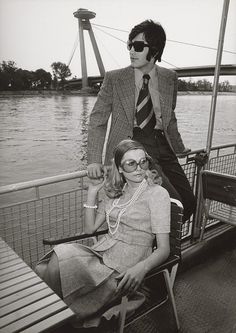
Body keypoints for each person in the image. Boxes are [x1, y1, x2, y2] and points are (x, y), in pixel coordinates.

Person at [35, 139, 170, 328]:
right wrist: (92, 192)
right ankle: (55, 320)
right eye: (131, 164)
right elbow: (90, 229)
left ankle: (52, 322)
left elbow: (164, 249)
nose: (139, 168)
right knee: (54, 262)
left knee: (57, 266)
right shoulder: (115, 191)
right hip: (103, 253)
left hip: (129, 263)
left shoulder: (157, 194)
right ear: (120, 169)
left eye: (143, 161)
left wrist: (143, 268)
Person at [87, 19, 196, 221]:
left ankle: (159, 245)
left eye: (138, 46)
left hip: (162, 144)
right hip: (133, 146)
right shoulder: (114, 78)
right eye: (130, 45)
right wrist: (94, 159)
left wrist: (180, 148)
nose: (131, 51)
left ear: (154, 51)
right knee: (171, 203)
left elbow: (170, 118)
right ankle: (156, 248)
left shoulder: (169, 78)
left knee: (189, 203)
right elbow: (97, 120)